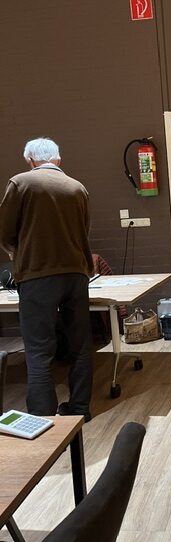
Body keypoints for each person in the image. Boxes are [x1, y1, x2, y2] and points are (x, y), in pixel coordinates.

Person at [0, 137, 94, 420]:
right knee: (80, 346)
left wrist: (18, 251)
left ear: (30, 160)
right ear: (58, 160)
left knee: (39, 349)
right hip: (76, 274)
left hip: (38, 275)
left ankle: (43, 416)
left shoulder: (21, 183)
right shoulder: (77, 188)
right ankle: (79, 409)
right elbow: (84, 231)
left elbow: (4, 231)